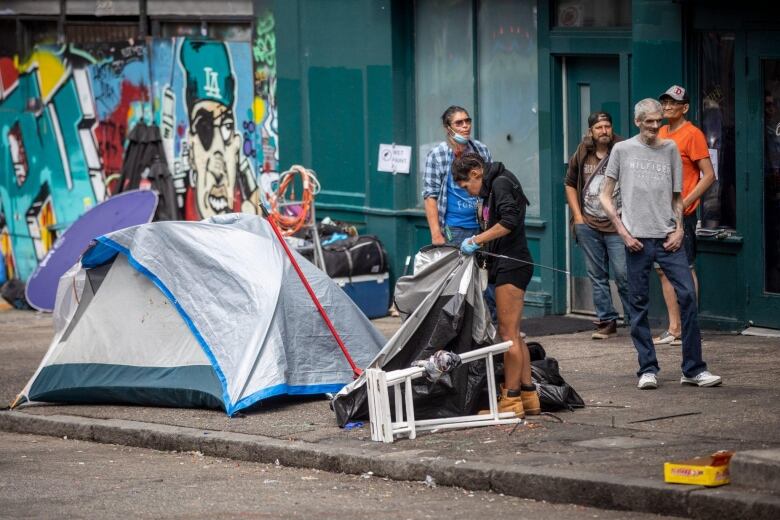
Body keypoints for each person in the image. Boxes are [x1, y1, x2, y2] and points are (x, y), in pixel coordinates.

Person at [599, 98, 721, 390]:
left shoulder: (669, 149)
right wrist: (623, 231)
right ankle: (647, 368)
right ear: (637, 122)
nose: (656, 126)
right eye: (649, 121)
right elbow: (605, 195)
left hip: (669, 237)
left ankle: (693, 368)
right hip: (636, 239)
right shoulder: (622, 149)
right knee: (638, 305)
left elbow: (677, 196)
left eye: (658, 121)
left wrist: (679, 229)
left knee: (688, 296)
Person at [452, 153, 540, 417]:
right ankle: (528, 395)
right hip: (507, 263)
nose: (469, 191)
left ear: (476, 172)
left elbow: (509, 222)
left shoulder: (501, 183)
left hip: (513, 264)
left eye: (467, 185)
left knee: (507, 334)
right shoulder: (492, 186)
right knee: (514, 333)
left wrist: (476, 240)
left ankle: (511, 400)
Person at [652, 85, 716, 346]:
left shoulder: (693, 134)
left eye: (673, 103)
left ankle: (689, 328)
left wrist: (686, 202)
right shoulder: (661, 132)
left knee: (685, 268)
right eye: (664, 103)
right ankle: (674, 327)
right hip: (658, 212)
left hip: (682, 214)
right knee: (663, 271)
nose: (667, 107)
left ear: (685, 107)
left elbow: (709, 175)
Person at [564, 112, 629, 339]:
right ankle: (607, 321)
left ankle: (635, 321)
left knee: (623, 274)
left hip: (618, 224)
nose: (604, 131)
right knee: (597, 275)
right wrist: (578, 217)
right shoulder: (582, 152)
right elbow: (570, 184)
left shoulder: (623, 148)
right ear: (591, 131)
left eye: (607, 126)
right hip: (589, 223)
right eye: (599, 127)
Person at [179, 39, 259, 220]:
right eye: (204, 130)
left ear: (236, 146)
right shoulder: (180, 212)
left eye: (227, 127)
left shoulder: (247, 209)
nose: (217, 169)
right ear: (191, 149)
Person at [422, 106, 492, 246]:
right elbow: (430, 196)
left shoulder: (481, 150)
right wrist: (436, 235)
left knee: (483, 267)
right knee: (458, 268)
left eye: (467, 121)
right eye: (459, 123)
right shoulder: (437, 155)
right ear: (448, 128)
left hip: (482, 226)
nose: (465, 126)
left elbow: (490, 186)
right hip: (454, 229)